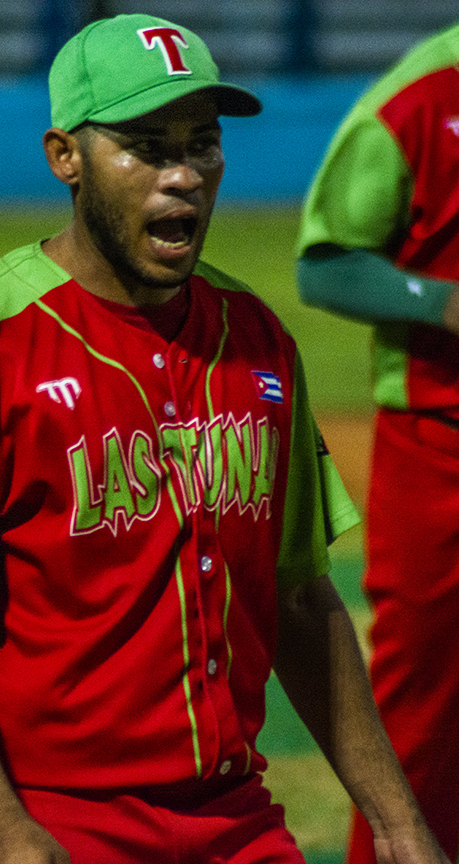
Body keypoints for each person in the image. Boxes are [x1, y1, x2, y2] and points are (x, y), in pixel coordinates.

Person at [0, 13, 448, 864]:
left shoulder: (255, 340)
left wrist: (397, 823)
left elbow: (299, 597)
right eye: (145, 146)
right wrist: (0, 829)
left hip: (235, 817)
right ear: (65, 155)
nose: (183, 176)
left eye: (202, 144)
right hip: (48, 817)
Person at [296, 21, 459, 864]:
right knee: (422, 704)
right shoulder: (416, 100)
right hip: (441, 449)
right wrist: (437, 302)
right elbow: (325, 264)